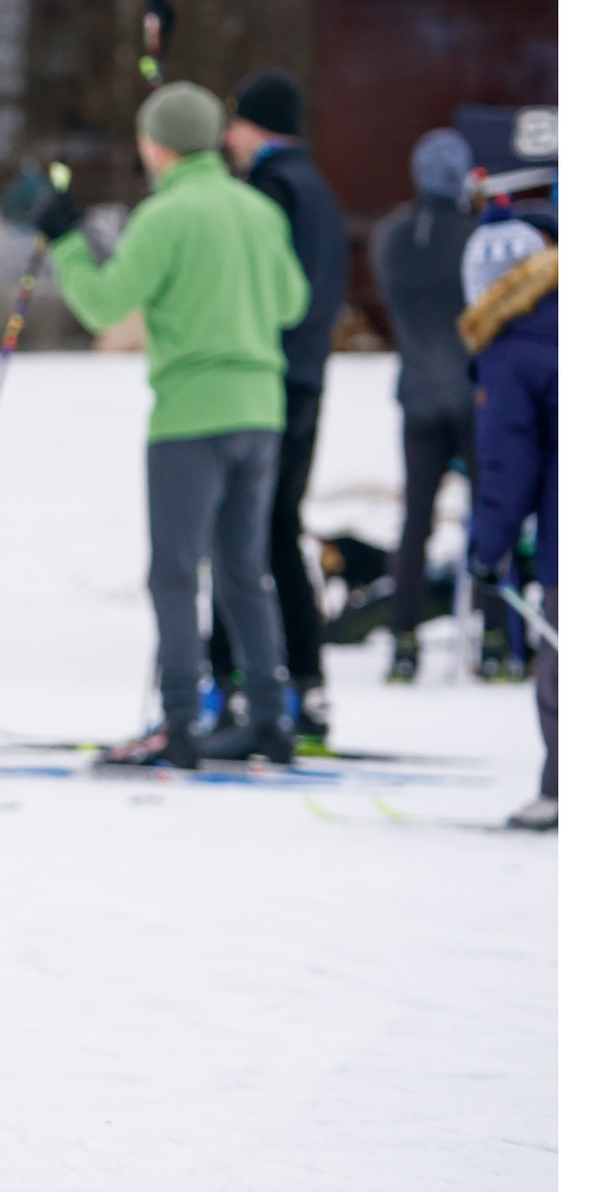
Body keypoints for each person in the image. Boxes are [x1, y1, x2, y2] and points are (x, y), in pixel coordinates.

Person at [30, 81, 310, 768]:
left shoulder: (166, 215)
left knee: (175, 574)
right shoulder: (257, 209)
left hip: (192, 416)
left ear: (157, 145)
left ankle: (180, 723)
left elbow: (101, 305)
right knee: (246, 570)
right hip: (262, 411)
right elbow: (293, 301)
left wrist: (65, 240)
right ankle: (271, 718)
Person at [202, 69, 347, 744]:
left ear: (255, 125)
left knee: (245, 531)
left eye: (234, 123)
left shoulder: (271, 188)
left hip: (268, 380)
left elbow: (260, 285)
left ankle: (232, 683)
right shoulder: (314, 186)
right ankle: (305, 683)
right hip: (309, 375)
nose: (227, 137)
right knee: (275, 529)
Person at [459, 189, 557, 831]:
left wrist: (487, 549)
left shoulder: (510, 347)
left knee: (564, 669)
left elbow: (506, 466)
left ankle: (563, 789)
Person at [370, 128, 483, 681]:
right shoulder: (470, 236)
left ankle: (404, 637)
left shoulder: (392, 237)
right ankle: (494, 638)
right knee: (488, 517)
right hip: (469, 394)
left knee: (416, 521)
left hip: (416, 392)